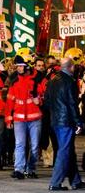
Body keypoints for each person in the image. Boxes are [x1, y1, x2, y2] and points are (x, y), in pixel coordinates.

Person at [46, 58, 85, 191]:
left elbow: (46, 101)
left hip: (55, 120)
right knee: (64, 151)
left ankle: (75, 181)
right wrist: (78, 122)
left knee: (68, 150)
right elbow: (72, 104)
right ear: (71, 67)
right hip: (66, 121)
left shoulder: (52, 81)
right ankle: (55, 183)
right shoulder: (70, 82)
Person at [5, 52, 43, 180]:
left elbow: (45, 94)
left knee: (35, 146)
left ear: (28, 66)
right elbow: (10, 100)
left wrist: (40, 100)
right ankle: (19, 169)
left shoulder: (37, 79)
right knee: (20, 144)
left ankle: (31, 169)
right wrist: (8, 118)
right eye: (18, 66)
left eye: (22, 66)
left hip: (35, 118)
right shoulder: (14, 79)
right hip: (19, 119)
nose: (19, 68)